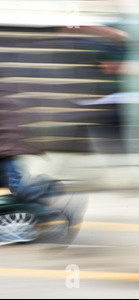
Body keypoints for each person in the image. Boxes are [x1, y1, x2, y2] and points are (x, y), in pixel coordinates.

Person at [0, 89, 88, 245]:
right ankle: (34, 220)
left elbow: (8, 127)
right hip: (6, 153)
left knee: (21, 189)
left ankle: (58, 197)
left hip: (5, 155)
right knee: (18, 192)